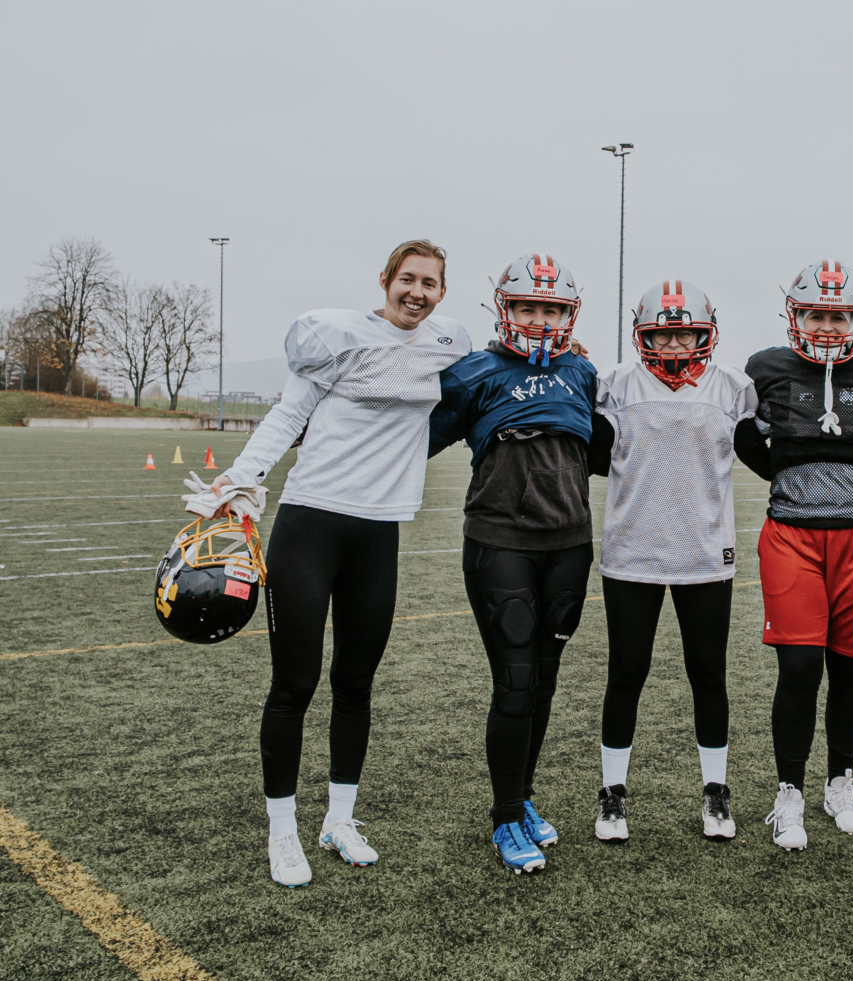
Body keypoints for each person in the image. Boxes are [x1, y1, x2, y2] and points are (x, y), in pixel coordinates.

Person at [206, 240, 473, 888]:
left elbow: (475, 391)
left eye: (429, 283)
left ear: (442, 293)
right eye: (406, 279)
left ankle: (340, 820)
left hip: (379, 533)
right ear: (384, 280)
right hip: (311, 524)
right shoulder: (337, 338)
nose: (416, 291)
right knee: (294, 684)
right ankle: (281, 832)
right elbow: (288, 414)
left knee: (356, 684)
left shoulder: (449, 345)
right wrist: (240, 480)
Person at [736, 260, 853, 851]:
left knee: (850, 666)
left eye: (840, 315)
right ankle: (788, 790)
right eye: (817, 314)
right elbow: (748, 440)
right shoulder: (768, 367)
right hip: (792, 532)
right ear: (796, 315)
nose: (828, 326)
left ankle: (839, 780)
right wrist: (792, 477)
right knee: (798, 668)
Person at [428, 253, 598, 876]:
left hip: (570, 543)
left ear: (569, 314)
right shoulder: (475, 373)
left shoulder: (581, 371)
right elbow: (411, 436)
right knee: (517, 680)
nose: (540, 318)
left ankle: (522, 799)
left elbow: (605, 449)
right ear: (505, 308)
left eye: (551, 308)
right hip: (502, 542)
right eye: (529, 306)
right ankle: (504, 817)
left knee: (545, 679)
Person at [587, 280, 757, 843]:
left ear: (705, 331)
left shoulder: (733, 387)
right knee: (626, 674)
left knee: (707, 673)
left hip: (706, 553)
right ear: (644, 333)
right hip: (631, 552)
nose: (676, 343)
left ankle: (715, 792)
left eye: (685, 330)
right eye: (664, 331)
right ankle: (612, 794)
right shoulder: (613, 385)